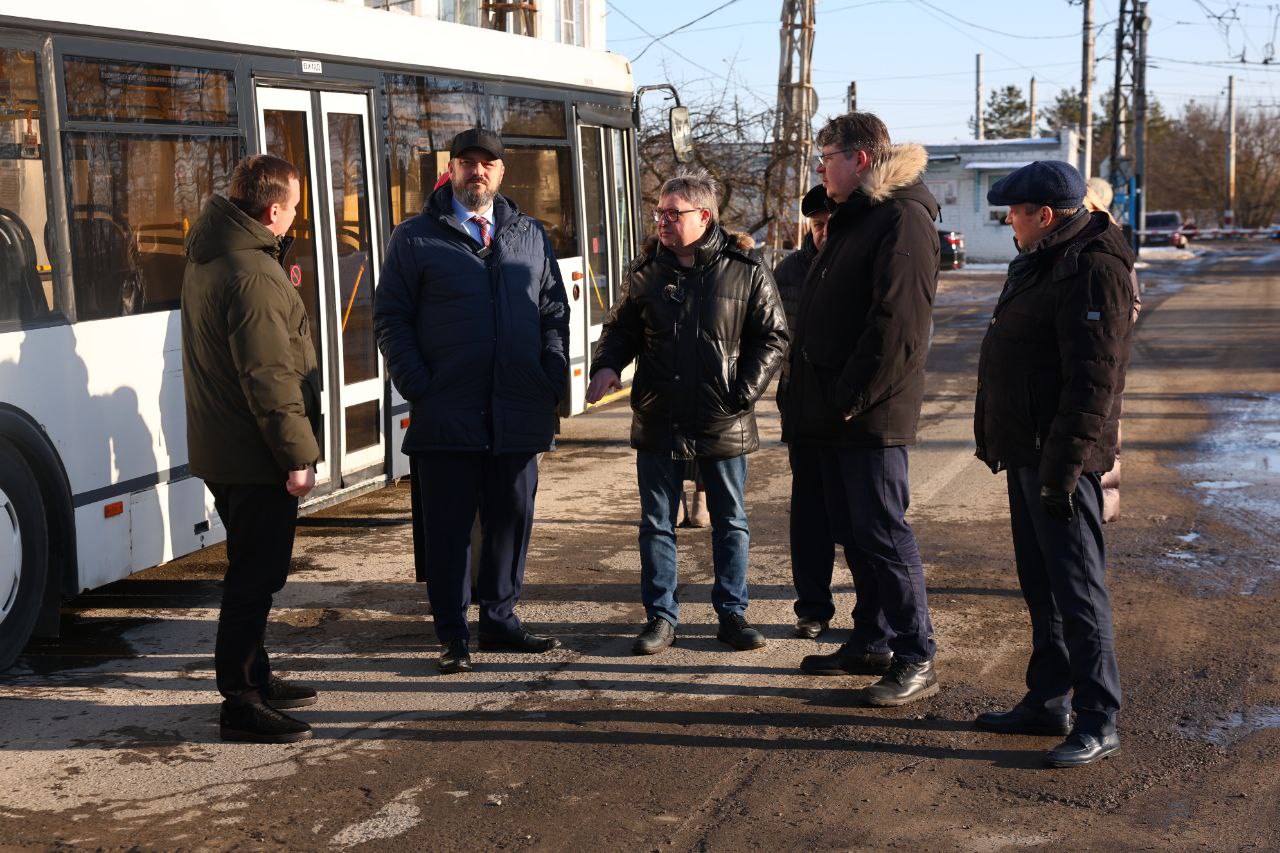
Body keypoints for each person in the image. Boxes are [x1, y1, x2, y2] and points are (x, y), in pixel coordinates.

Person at [374, 129, 569, 675]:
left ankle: (501, 620)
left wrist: (550, 376)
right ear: (452, 169)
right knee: (449, 529)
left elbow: (553, 312)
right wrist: (419, 384)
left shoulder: (530, 234)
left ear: (502, 172)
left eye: (487, 164)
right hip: (447, 409)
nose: (477, 172)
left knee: (511, 519)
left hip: (518, 408)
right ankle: (453, 634)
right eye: (467, 162)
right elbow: (391, 318)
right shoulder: (414, 237)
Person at [973, 160, 1137, 767]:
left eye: (1014, 213)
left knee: (1079, 591)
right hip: (1028, 450)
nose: (1008, 223)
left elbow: (1094, 384)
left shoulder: (1093, 269)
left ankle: (1098, 718)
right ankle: (1047, 700)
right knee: (1041, 584)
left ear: (1045, 216)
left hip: (1062, 460)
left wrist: (1064, 471)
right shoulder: (1043, 257)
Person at [586, 168, 788, 656]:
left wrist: (741, 394)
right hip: (659, 417)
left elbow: (774, 336)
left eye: (673, 214)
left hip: (723, 419)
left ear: (704, 217)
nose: (662, 221)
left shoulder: (746, 269)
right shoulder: (644, 272)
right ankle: (661, 617)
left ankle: (732, 615)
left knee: (730, 521)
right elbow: (620, 331)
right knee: (657, 523)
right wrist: (607, 365)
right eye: (659, 212)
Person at [783, 112, 941, 707]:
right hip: (835, 414)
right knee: (855, 534)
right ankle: (872, 640)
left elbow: (897, 326)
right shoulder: (858, 215)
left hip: (869, 416)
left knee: (883, 534)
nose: (820, 168)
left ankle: (916, 653)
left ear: (862, 159)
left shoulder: (902, 217)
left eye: (827, 157)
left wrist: (851, 399)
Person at [181, 154, 322, 743]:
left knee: (251, 569)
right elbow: (269, 377)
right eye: (294, 208)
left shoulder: (212, 254)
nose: (295, 218)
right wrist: (297, 456)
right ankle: (240, 701)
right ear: (272, 210)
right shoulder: (254, 273)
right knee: (254, 579)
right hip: (256, 454)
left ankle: (255, 678)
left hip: (226, 448)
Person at [773, 184, 843, 641]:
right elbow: (772, 334)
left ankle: (870, 615)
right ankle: (813, 607)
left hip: (850, 413)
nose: (823, 232)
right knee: (809, 516)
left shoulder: (860, 263)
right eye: (817, 225)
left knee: (857, 518)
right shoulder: (789, 271)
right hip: (802, 409)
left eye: (830, 224)